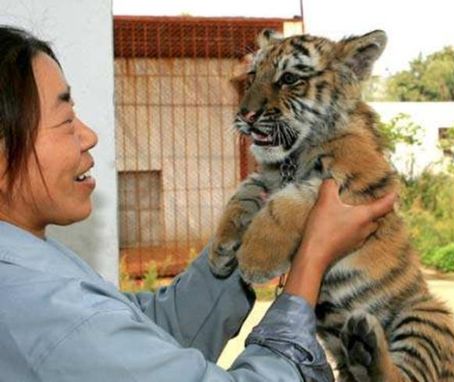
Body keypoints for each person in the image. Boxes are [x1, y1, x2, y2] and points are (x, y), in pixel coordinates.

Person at [0, 26, 396, 382]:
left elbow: (147, 331)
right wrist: (310, 261)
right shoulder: (43, 310)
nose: (88, 136)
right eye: (65, 118)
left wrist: (247, 228)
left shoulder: (31, 259)